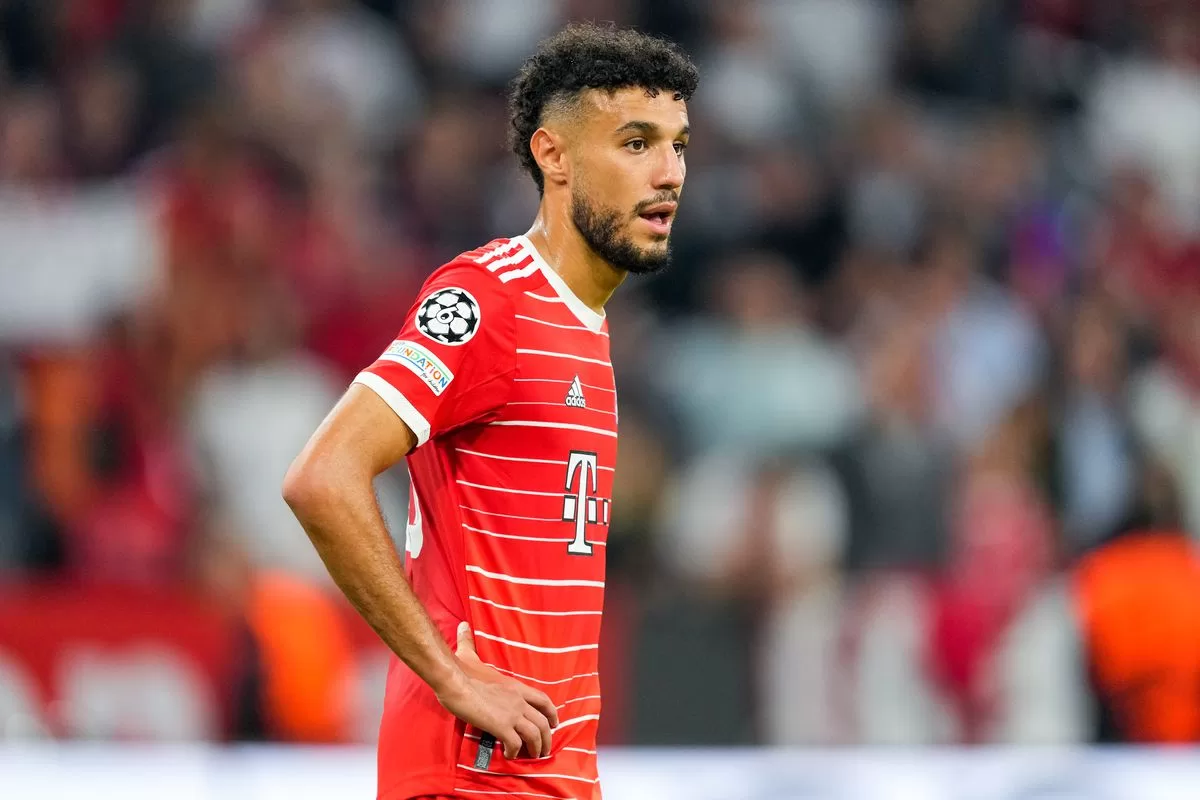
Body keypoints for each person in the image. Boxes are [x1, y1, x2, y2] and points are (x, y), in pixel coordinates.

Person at [282, 22, 698, 800]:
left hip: (547, 775)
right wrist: (449, 674)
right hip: (471, 776)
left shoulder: (587, 326)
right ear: (555, 156)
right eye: (636, 143)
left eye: (678, 145)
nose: (669, 172)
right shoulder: (489, 298)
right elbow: (322, 477)